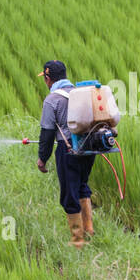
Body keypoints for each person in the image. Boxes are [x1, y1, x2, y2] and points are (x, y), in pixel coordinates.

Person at [36, 60, 95, 248]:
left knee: (69, 193)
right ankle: (89, 229)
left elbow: (46, 133)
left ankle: (78, 240)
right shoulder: (81, 94)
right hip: (89, 148)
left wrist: (42, 159)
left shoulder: (52, 100)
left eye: (44, 78)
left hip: (67, 150)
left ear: (48, 78)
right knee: (82, 185)